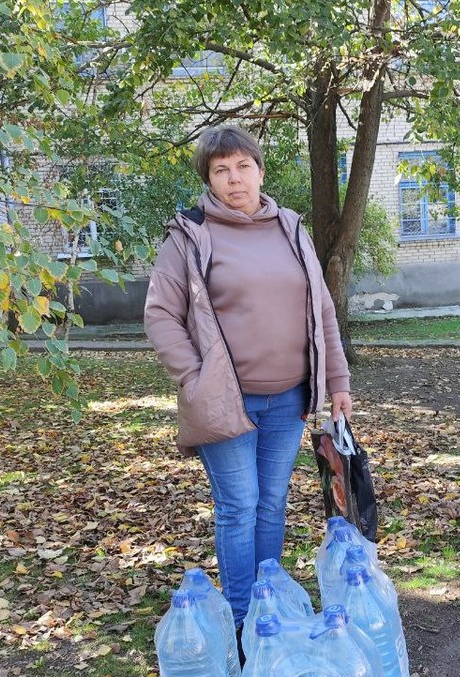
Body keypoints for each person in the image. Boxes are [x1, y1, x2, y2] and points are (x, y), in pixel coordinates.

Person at [143, 125, 353, 631]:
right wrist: (195, 379)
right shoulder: (190, 236)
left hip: (288, 398)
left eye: (243, 166)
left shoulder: (289, 229)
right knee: (239, 505)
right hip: (224, 405)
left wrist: (338, 382)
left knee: (271, 503)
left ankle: (270, 602)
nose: (234, 179)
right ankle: (242, 620)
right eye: (221, 170)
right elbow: (160, 315)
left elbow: (321, 307)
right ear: (209, 180)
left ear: (260, 170)